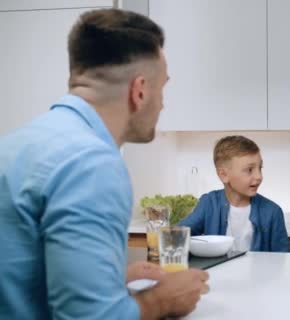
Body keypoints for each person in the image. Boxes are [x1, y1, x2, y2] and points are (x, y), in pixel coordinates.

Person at [0, 9, 208, 319]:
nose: (163, 103)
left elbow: (18, 276)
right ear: (139, 91)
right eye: (162, 88)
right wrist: (160, 300)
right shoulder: (92, 164)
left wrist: (109, 280)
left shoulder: (16, 144)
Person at [179, 135, 290, 252]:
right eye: (249, 170)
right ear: (223, 175)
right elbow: (177, 234)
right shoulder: (209, 203)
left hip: (259, 271)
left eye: (260, 168)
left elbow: (284, 259)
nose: (259, 176)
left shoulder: (272, 212)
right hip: (219, 271)